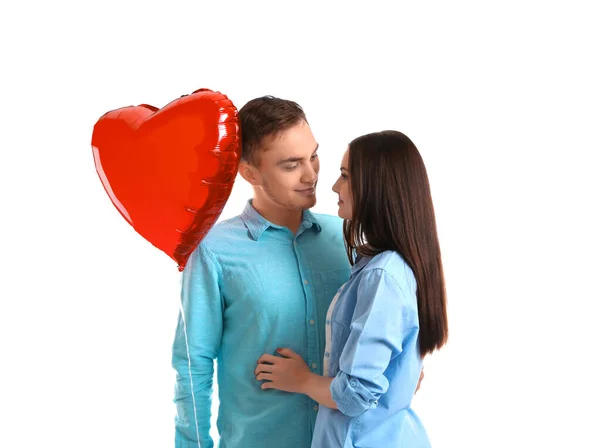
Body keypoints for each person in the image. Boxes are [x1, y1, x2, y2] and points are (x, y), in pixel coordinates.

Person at [171, 96, 351, 448]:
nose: (311, 174)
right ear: (249, 172)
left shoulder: (347, 238)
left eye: (313, 156)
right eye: (291, 164)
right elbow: (193, 362)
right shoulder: (213, 251)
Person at [255, 130, 448, 447]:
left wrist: (302, 379)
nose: (334, 186)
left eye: (345, 176)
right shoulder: (384, 267)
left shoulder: (383, 275)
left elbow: (356, 394)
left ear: (377, 187)